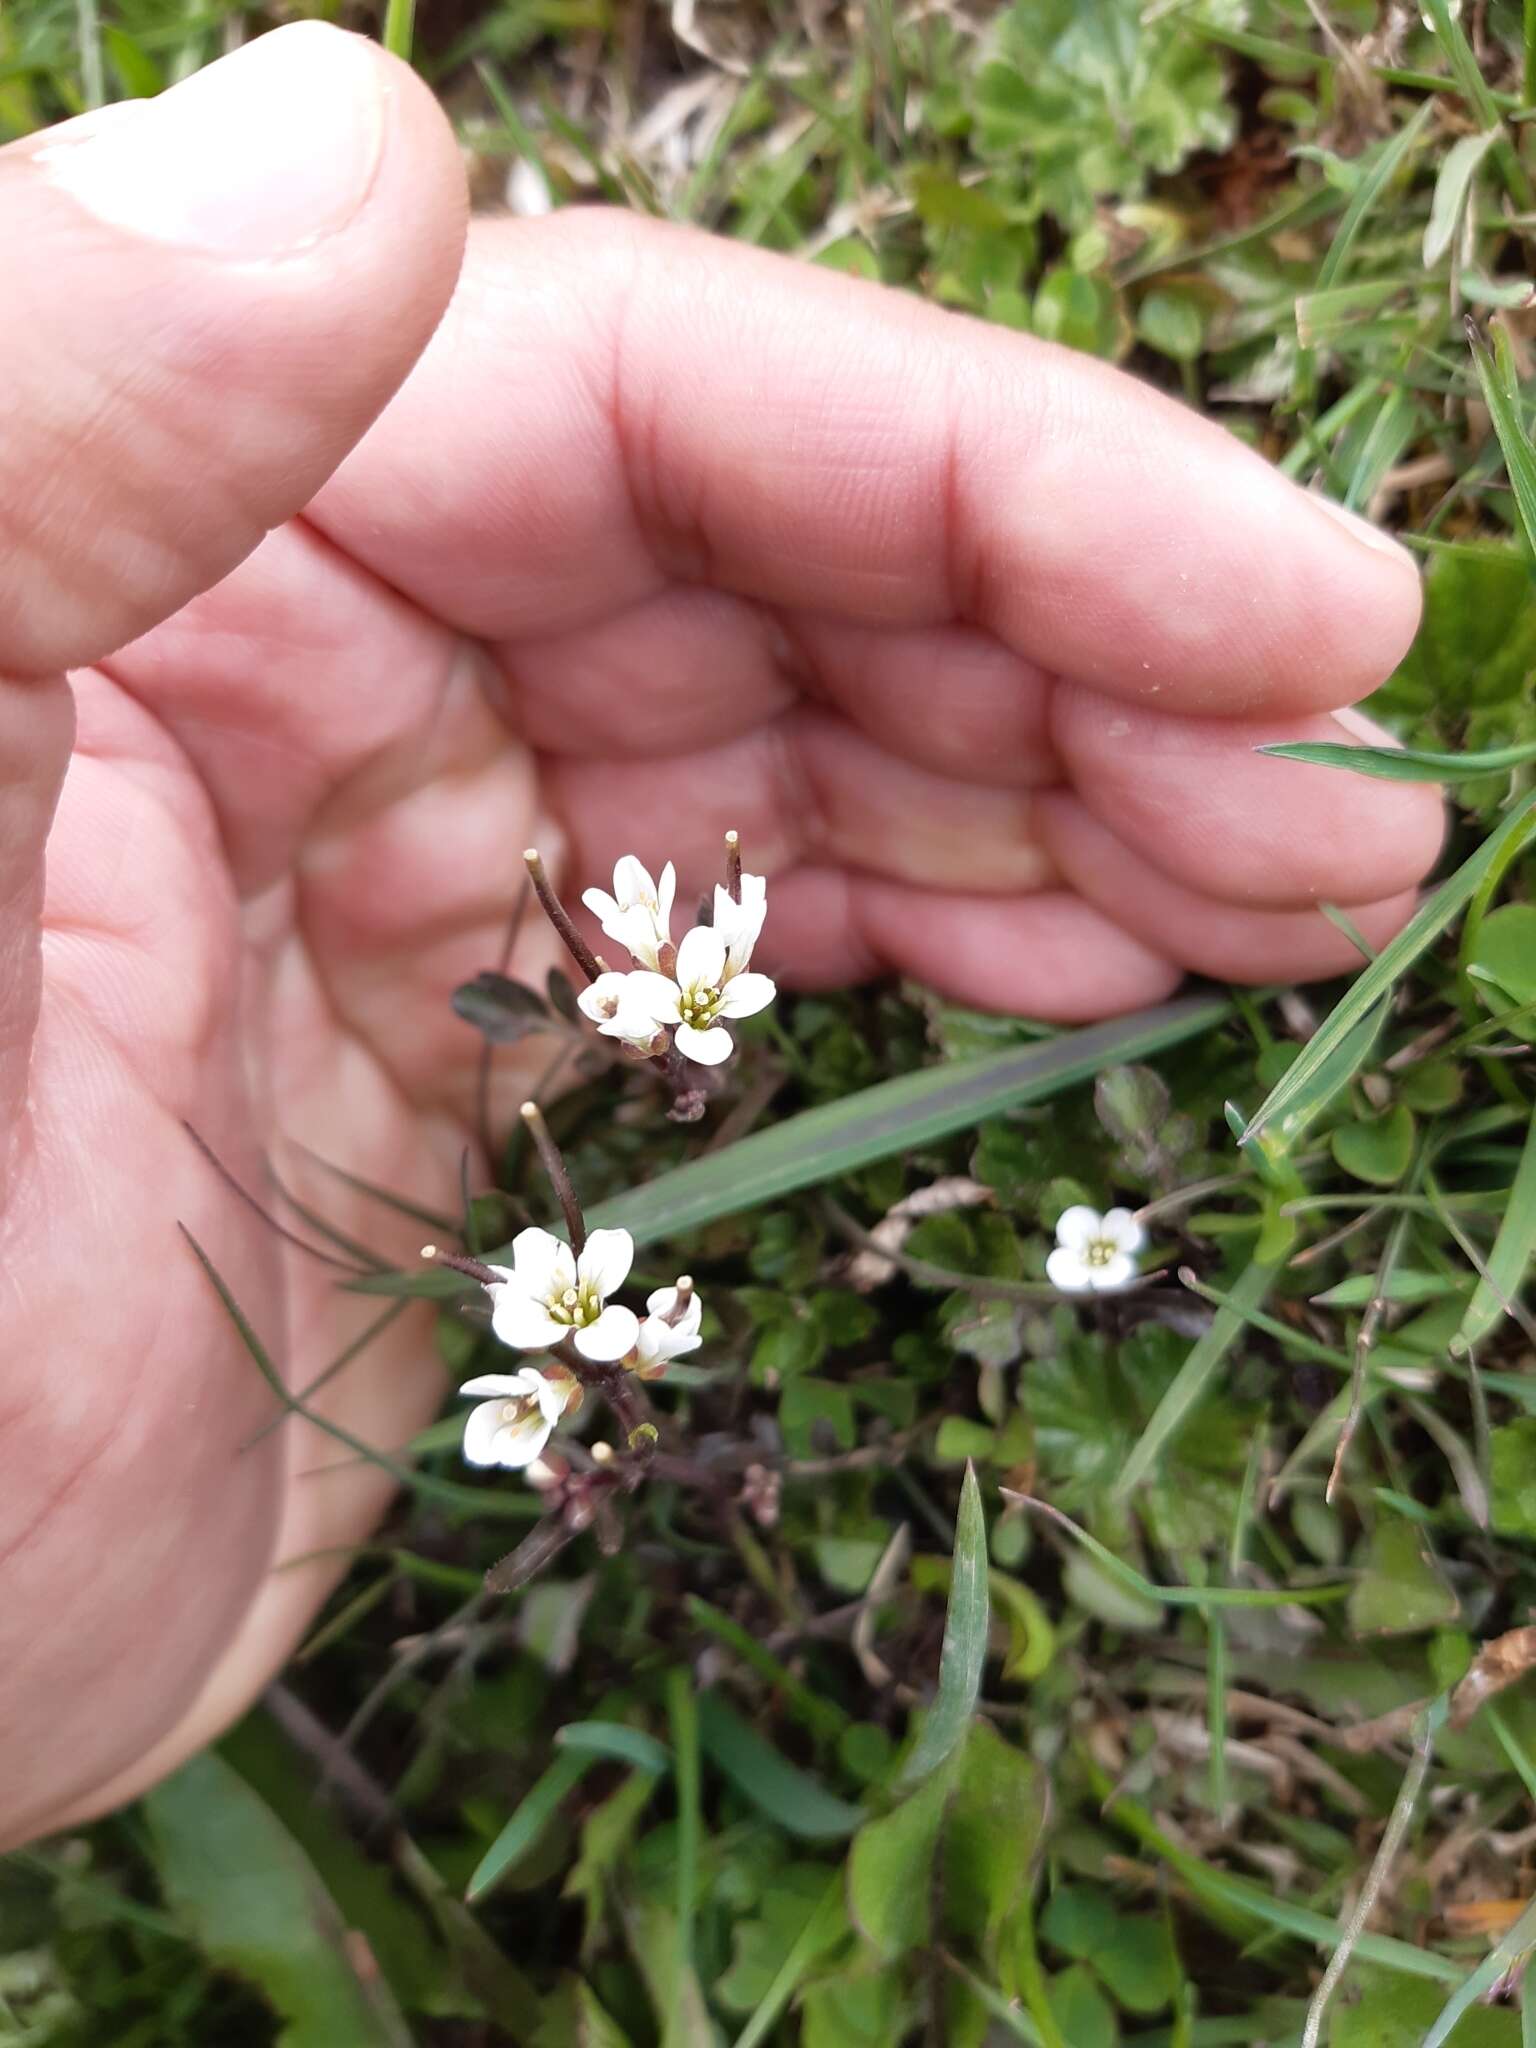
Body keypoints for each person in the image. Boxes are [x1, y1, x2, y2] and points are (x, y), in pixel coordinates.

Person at [0, 23, 1442, 1850]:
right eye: (572, 1327)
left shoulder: (629, 1019)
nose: (576, 1314)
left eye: (574, 1324)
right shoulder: (591, 1103)